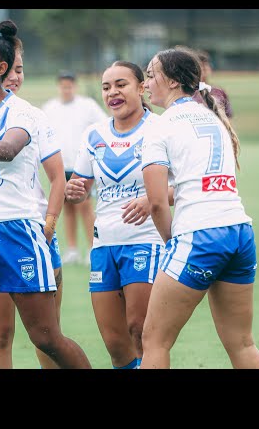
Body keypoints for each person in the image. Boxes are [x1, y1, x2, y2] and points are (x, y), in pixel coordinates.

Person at [0, 19, 90, 369]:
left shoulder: (24, 113)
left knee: (46, 337)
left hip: (17, 232)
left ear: (0, 68)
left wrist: (48, 225)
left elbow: (8, 148)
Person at [139, 47, 259, 369]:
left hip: (200, 236)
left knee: (154, 341)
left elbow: (155, 203)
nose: (146, 83)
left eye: (151, 75)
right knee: (242, 343)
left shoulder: (159, 125)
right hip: (239, 232)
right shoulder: (213, 116)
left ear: (170, 80)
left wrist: (173, 245)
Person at [65, 61, 165, 369]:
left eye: (121, 84)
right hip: (103, 244)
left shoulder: (159, 129)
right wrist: (75, 190)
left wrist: (152, 199)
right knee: (114, 341)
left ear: (141, 87)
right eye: (106, 87)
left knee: (139, 329)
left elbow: (184, 186)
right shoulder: (93, 135)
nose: (112, 93)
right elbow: (82, 185)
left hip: (145, 241)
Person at [0, 41, 67, 369]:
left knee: (45, 335)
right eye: (11, 69)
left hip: (29, 232)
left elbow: (57, 178)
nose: (16, 77)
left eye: (20, 70)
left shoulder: (31, 116)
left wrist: (50, 223)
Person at [42, 70, 107, 265]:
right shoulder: (50, 108)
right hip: (60, 166)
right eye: (63, 86)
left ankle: (90, 247)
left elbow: (103, 125)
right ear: (59, 86)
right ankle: (71, 248)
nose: (66, 89)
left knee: (84, 206)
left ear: (74, 86)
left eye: (69, 86)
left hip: (82, 165)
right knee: (67, 207)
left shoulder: (87, 106)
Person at [189, 48, 233, 119]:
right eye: (200, 65)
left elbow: (228, 117)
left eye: (206, 64)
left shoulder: (219, 91)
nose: (204, 68)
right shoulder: (188, 93)